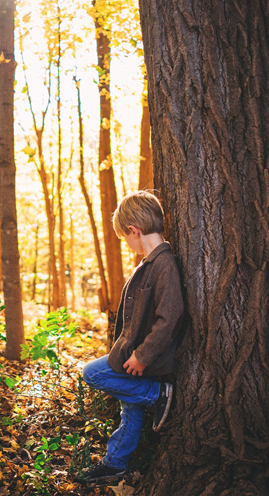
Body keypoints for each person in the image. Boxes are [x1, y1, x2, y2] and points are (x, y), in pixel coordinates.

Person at [78, 190, 185, 484]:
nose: (127, 244)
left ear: (133, 231)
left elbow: (170, 316)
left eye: (125, 238)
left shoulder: (164, 265)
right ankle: (116, 464)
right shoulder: (148, 263)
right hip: (133, 356)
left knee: (92, 373)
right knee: (130, 409)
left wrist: (142, 355)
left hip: (145, 360)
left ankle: (156, 394)